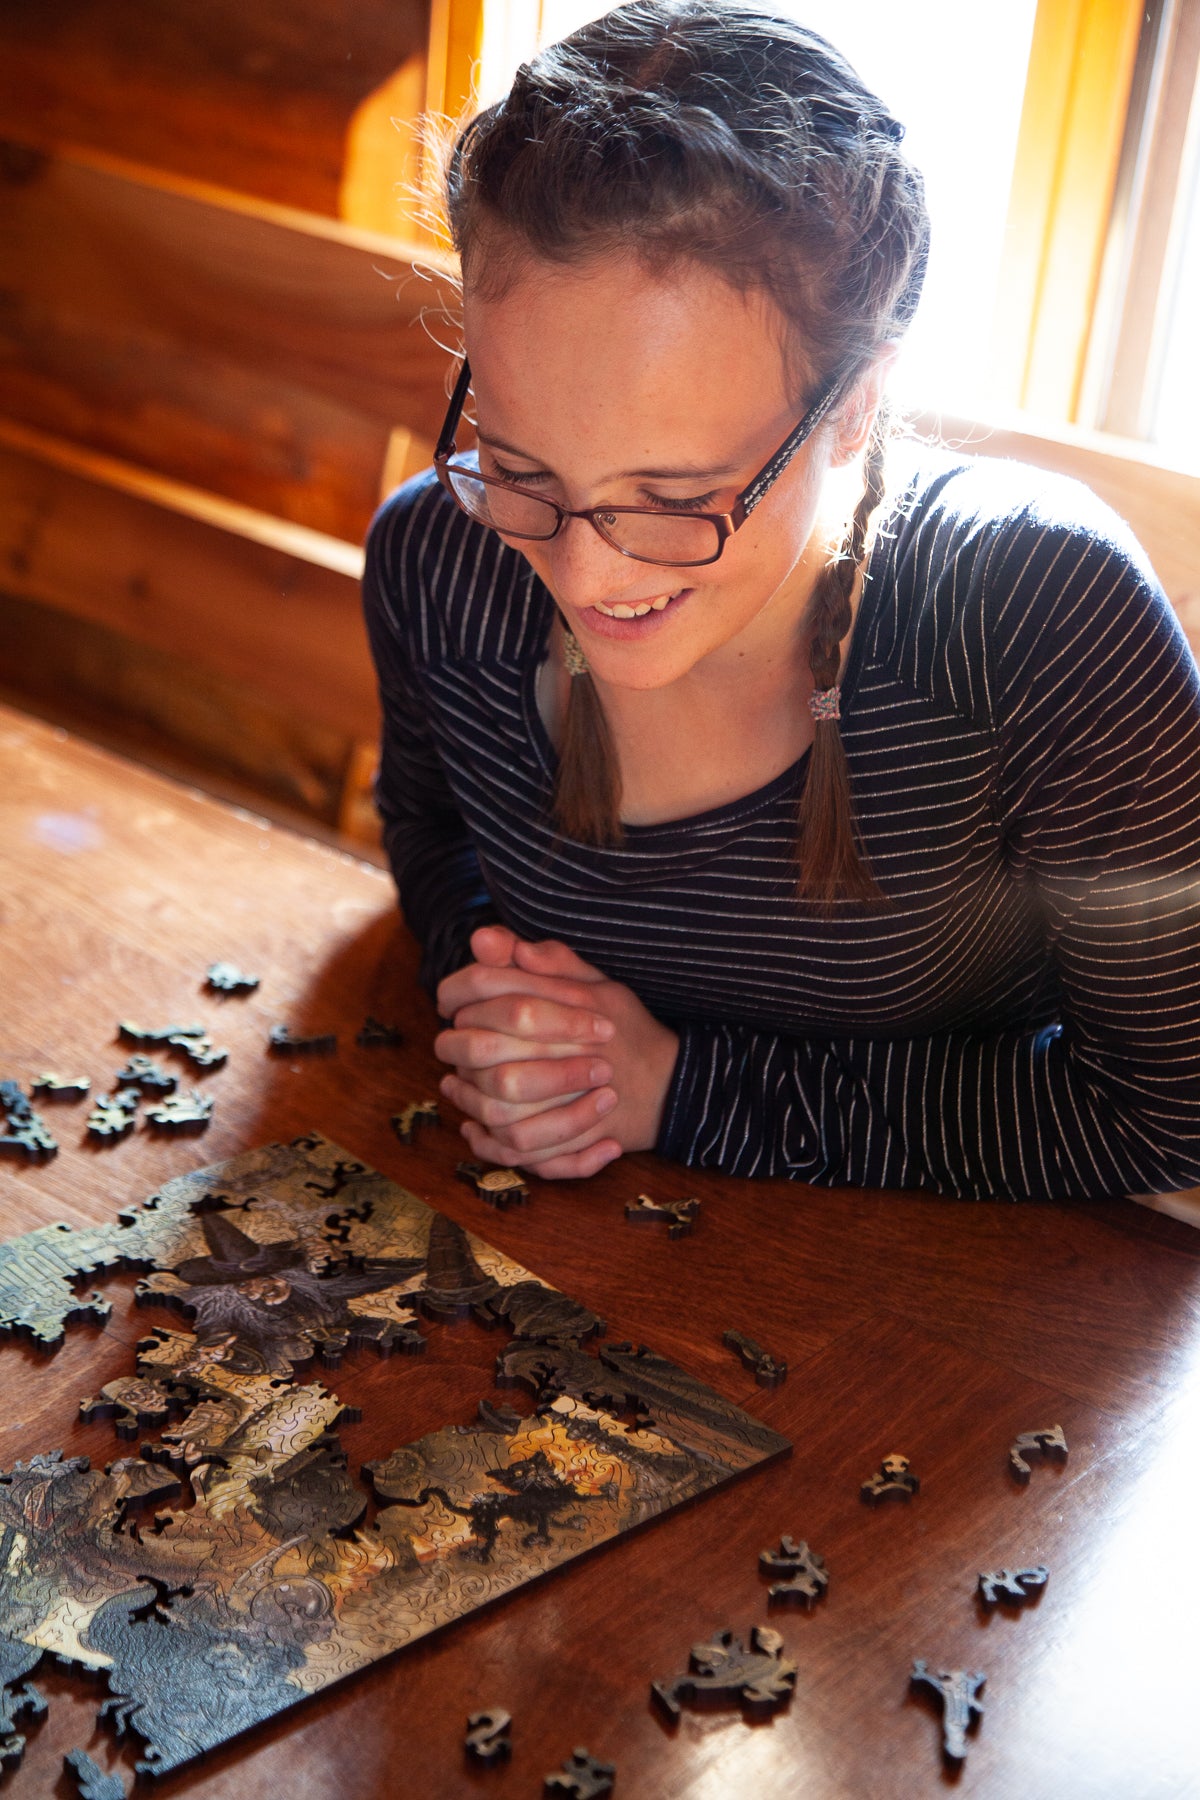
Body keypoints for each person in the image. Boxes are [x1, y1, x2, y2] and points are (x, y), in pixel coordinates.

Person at [363, 0, 1200, 1202]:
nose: (590, 574)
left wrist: (678, 1091)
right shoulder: (438, 562)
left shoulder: (1037, 617)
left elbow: (1172, 1109)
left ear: (855, 402)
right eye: (522, 467)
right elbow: (435, 838)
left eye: (678, 495)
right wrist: (514, 1018)